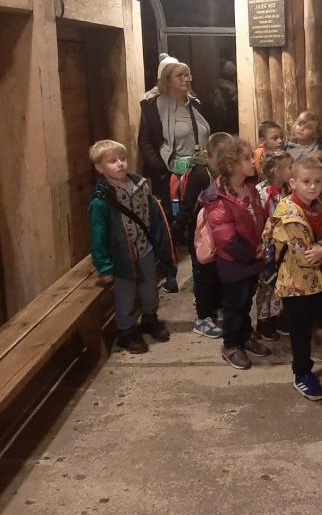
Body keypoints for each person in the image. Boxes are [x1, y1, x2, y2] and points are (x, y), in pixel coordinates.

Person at [263, 156, 322, 400]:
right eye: (306, 181)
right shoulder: (289, 214)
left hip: (321, 279)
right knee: (301, 332)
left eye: (318, 181)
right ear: (293, 183)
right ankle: (302, 373)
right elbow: (305, 257)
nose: (313, 186)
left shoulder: (318, 207)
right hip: (295, 285)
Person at [87, 139, 172, 354]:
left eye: (122, 158)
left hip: (145, 249)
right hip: (121, 257)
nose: (120, 164)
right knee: (125, 294)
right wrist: (104, 267)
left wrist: (160, 245)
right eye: (112, 161)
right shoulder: (101, 200)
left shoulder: (140, 186)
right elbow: (97, 236)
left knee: (149, 288)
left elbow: (153, 217)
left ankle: (150, 319)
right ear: (100, 168)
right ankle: (125, 331)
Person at [138, 57, 210, 292]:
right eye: (180, 75)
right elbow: (145, 142)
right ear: (167, 80)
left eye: (188, 74)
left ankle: (201, 273)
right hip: (170, 176)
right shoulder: (153, 107)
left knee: (196, 222)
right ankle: (170, 273)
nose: (186, 79)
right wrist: (164, 169)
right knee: (171, 224)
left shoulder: (195, 104)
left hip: (197, 173)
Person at [201, 137, 271, 370]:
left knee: (246, 300)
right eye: (247, 158)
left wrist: (261, 244)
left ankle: (244, 335)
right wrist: (253, 253)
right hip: (234, 261)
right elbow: (227, 239)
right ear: (231, 165)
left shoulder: (248, 187)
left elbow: (256, 218)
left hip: (252, 256)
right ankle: (231, 344)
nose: (253, 161)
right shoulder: (217, 198)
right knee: (233, 306)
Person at [171, 132, 231, 338]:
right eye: (219, 159)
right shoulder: (200, 175)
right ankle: (202, 318)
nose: (223, 163)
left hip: (217, 233)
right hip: (199, 235)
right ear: (207, 155)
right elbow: (187, 206)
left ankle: (214, 304)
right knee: (203, 274)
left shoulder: (224, 174)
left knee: (216, 271)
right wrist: (176, 233)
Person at [255, 150, 293, 341]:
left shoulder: (288, 190)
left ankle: (276, 315)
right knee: (266, 284)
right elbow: (257, 219)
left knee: (281, 282)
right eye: (289, 167)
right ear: (276, 171)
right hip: (268, 245)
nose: (293, 170)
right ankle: (263, 320)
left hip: (285, 245)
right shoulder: (261, 192)